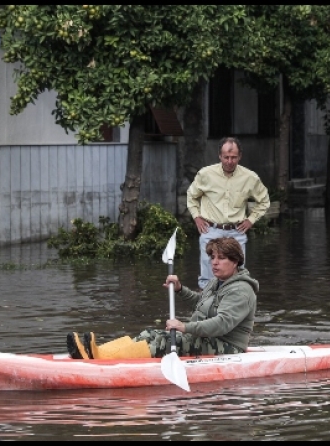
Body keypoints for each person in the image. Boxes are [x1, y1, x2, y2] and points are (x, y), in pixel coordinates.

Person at [67, 237, 259, 359]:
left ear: (235, 262)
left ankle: (103, 357)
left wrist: (185, 327)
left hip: (227, 346)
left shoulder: (241, 290)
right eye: (213, 257)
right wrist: (180, 289)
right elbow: (201, 303)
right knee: (149, 334)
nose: (215, 263)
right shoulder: (218, 281)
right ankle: (98, 352)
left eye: (221, 258)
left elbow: (222, 324)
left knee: (165, 342)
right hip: (206, 337)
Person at [187, 136, 270, 289]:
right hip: (210, 229)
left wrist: (251, 219)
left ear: (240, 157)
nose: (230, 161)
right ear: (220, 156)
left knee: (238, 276)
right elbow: (191, 196)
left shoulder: (250, 177)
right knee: (207, 276)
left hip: (236, 232)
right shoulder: (205, 174)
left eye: (233, 157)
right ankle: (207, 308)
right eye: (226, 157)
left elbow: (264, 201)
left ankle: (235, 308)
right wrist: (196, 217)